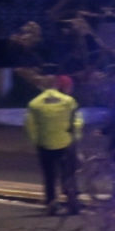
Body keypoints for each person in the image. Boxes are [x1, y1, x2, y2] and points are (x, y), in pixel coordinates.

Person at [26, 73, 81, 216]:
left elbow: (31, 126)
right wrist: (74, 138)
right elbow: (76, 121)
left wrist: (37, 141)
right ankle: (72, 201)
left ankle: (51, 203)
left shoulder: (34, 103)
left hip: (45, 144)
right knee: (68, 174)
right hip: (65, 142)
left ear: (42, 86)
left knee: (49, 175)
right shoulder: (69, 101)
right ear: (56, 85)